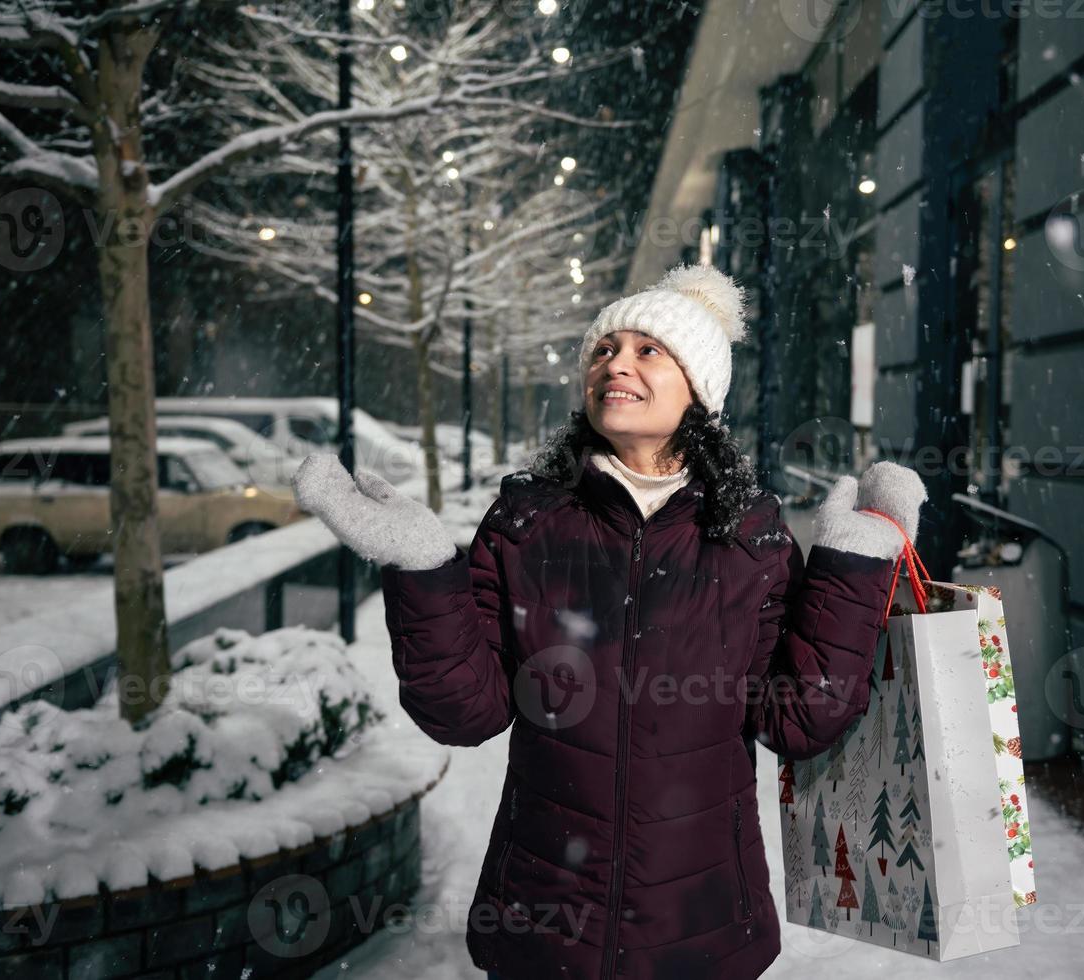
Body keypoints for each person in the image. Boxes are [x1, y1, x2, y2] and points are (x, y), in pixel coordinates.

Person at [293, 264, 927, 980]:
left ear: (699, 387)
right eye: (602, 350)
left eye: (646, 350)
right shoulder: (527, 522)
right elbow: (464, 712)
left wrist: (854, 562)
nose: (614, 362)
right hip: (542, 923)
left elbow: (799, 722)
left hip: (703, 928)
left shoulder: (750, 536)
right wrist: (419, 566)